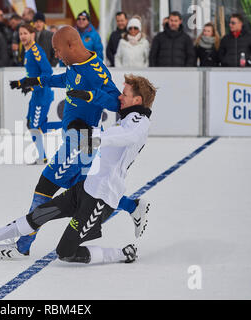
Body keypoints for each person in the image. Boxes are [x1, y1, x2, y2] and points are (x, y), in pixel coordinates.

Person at [0, 73, 157, 264]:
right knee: (39, 214)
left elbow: (127, 136)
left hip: (101, 198)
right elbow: (114, 139)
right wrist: (88, 133)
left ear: (137, 100)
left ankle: (123, 254)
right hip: (87, 187)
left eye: (124, 94)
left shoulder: (139, 121)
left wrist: (94, 136)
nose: (119, 97)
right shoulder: (128, 118)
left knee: (66, 252)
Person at [8, 26, 148, 256]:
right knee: (84, 193)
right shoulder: (73, 66)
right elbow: (64, 79)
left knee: (46, 185)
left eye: (57, 49)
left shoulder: (96, 71)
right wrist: (33, 81)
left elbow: (116, 102)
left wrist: (92, 96)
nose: (56, 54)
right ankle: (132, 206)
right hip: (78, 141)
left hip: (81, 141)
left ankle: (23, 244)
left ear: (71, 46)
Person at [9, 23, 55, 165]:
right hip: (36, 95)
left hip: (42, 95)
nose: (22, 36)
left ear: (32, 34)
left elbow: (48, 72)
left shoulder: (36, 51)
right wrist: (20, 83)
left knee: (36, 127)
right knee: (31, 125)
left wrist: (33, 87)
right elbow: (32, 74)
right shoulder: (28, 51)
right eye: (20, 34)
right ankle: (42, 156)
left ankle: (69, 125)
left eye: (25, 33)